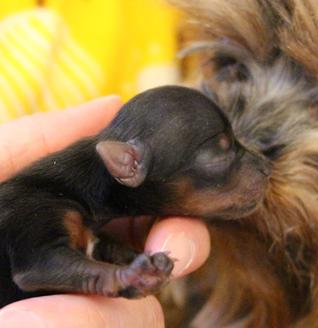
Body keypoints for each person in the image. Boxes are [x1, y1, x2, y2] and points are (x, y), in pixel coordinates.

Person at [0, 95, 210, 327]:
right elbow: (35, 268)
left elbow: (89, 247)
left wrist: (132, 264)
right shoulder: (33, 202)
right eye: (215, 159)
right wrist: (119, 279)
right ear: (126, 165)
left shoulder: (74, 209)